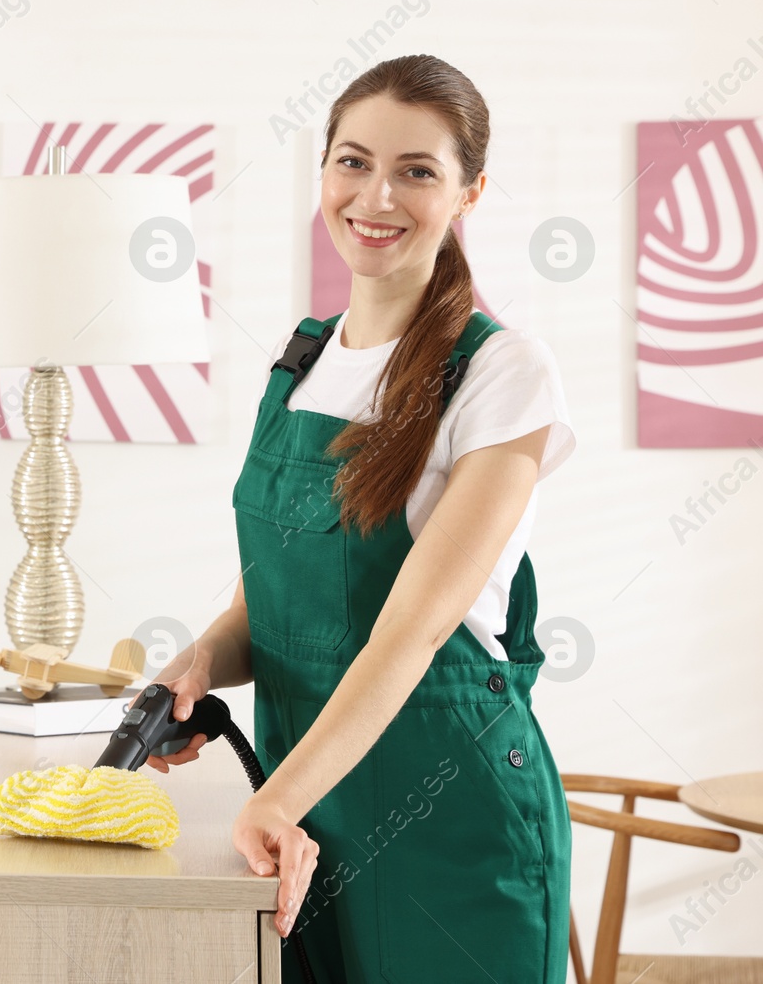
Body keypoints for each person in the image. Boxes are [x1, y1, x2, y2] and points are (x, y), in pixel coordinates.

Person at [143, 55, 576, 981]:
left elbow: (412, 632)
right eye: (352, 161)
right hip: (311, 804)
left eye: (418, 170)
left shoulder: (505, 373)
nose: (376, 194)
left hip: (449, 806)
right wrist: (200, 662)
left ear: (469, 193)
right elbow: (275, 598)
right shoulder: (301, 360)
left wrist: (275, 801)